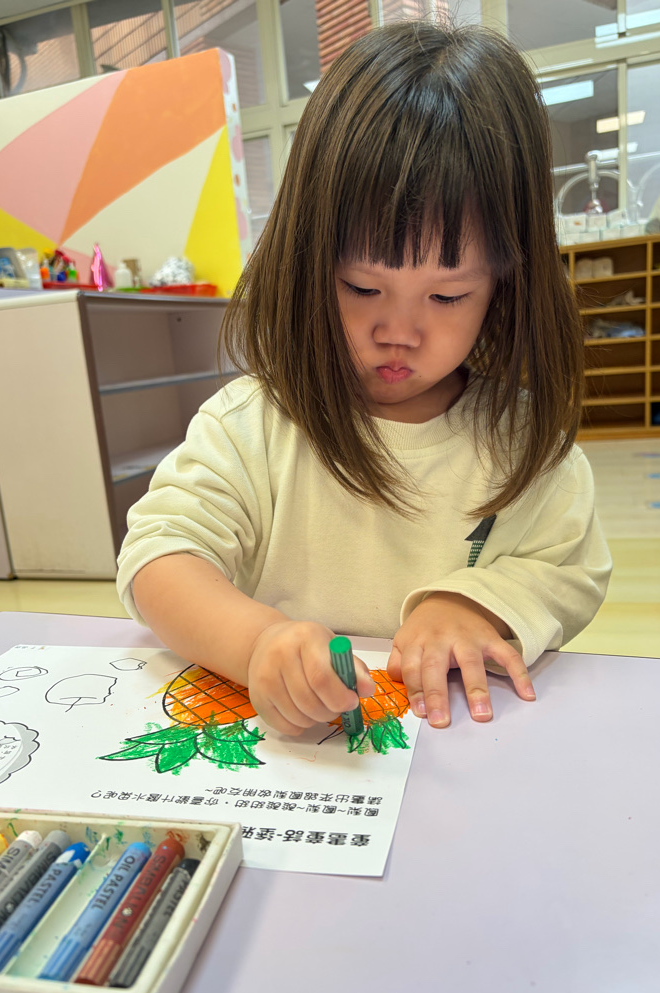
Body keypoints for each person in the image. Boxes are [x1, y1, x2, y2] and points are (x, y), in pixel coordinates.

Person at [117, 19, 612, 736]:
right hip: (293, 759)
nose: (398, 331)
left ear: (506, 284)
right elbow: (160, 556)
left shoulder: (523, 442)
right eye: (362, 287)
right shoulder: (252, 425)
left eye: (447, 296)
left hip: (458, 751)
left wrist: (472, 604)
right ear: (306, 263)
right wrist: (255, 642)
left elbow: (569, 568)